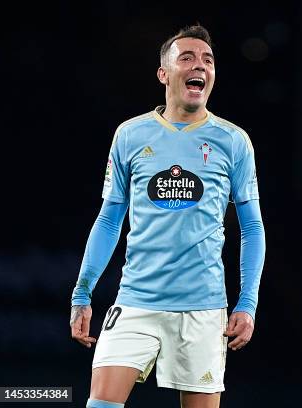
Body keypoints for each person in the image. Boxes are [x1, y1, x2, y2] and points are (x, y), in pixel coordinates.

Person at [69, 24, 266, 408]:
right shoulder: (131, 135)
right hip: (136, 301)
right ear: (164, 73)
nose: (200, 65)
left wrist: (248, 303)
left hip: (203, 309)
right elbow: (110, 219)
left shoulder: (233, 141)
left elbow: (253, 227)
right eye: (187, 58)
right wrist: (82, 293)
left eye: (207, 60)